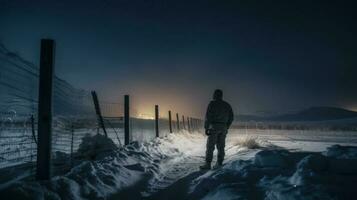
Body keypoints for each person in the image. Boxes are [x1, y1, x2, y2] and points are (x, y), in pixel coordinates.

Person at [200, 89, 234, 170]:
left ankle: (208, 164)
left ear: (215, 95)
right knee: (221, 146)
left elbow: (208, 116)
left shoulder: (212, 104)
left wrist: (206, 127)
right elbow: (231, 117)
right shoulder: (227, 105)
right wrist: (227, 126)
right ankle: (219, 163)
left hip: (214, 127)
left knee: (210, 146)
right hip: (223, 128)